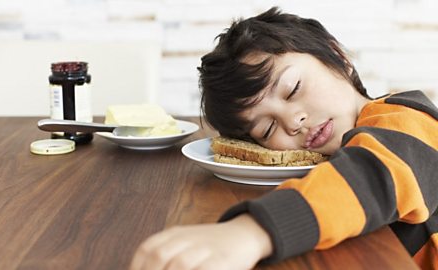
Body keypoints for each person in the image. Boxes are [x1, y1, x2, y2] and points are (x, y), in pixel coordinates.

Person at [130, 7, 438, 270]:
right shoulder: (325, 156)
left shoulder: (407, 118)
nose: (293, 122)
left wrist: (251, 232)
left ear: (337, 56)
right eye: (266, 130)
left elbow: (372, 176)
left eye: (293, 89)